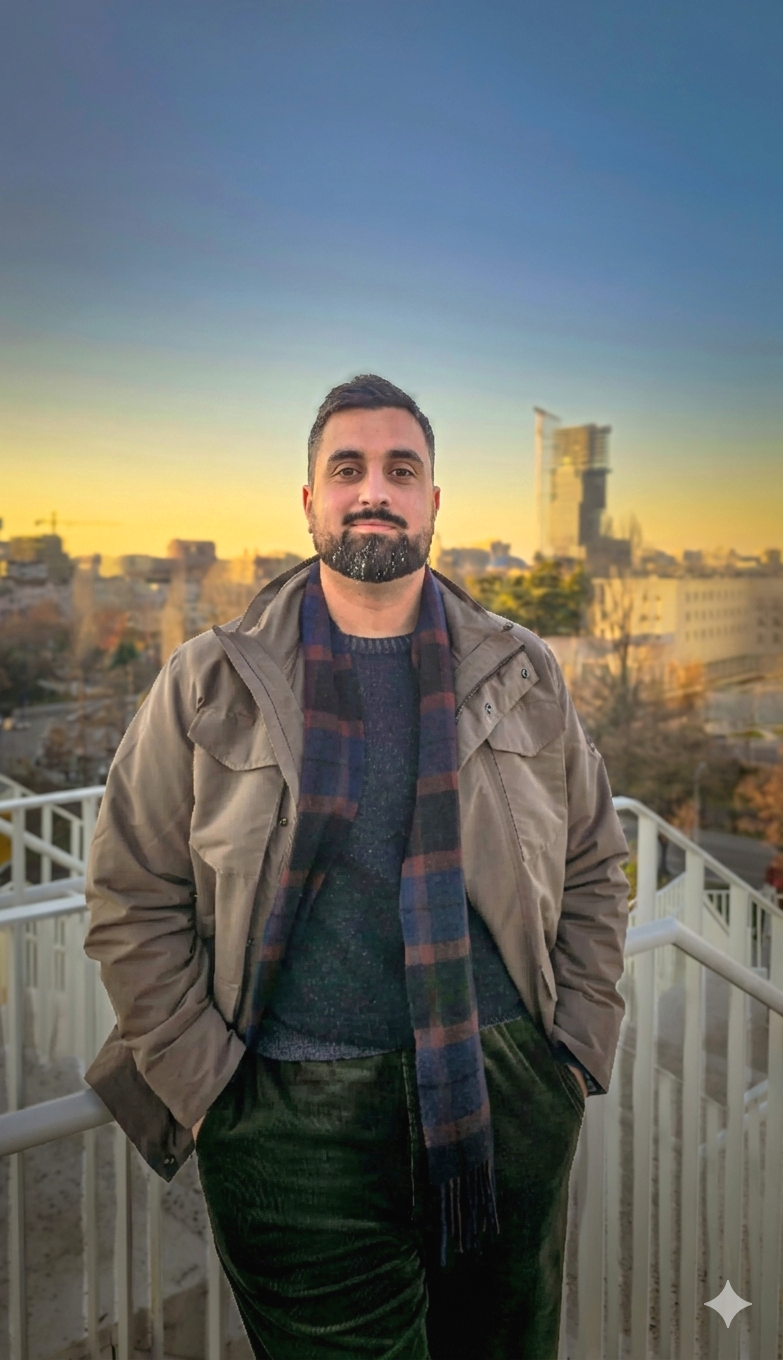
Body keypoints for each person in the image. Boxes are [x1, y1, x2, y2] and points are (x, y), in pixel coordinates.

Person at [84, 374, 630, 1360]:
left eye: (400, 469)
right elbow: (131, 891)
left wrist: (577, 1043)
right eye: (348, 469)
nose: (373, 488)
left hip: (503, 1098)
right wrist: (212, 1090)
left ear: (431, 501)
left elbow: (594, 855)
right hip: (290, 1124)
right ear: (309, 502)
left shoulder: (521, 671)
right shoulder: (210, 679)